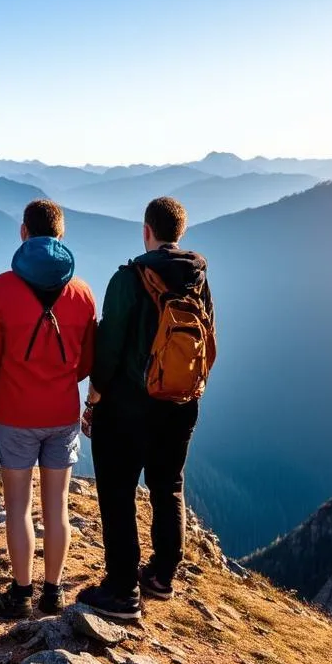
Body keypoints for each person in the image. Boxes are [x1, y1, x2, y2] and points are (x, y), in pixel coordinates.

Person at [77, 196, 216, 620]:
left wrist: (94, 397)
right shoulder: (198, 279)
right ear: (180, 233)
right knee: (168, 485)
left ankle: (121, 590)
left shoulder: (128, 279)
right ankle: (160, 576)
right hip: (181, 402)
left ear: (146, 231)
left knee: (118, 492)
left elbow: (110, 347)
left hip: (128, 408)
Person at [0, 199, 97, 618]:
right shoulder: (82, 292)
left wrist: (3, 378)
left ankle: (20, 592)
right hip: (62, 412)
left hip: (14, 410)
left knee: (17, 506)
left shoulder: (1, 288)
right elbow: (86, 361)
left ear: (24, 233)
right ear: (61, 235)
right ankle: (53, 591)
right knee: (57, 506)